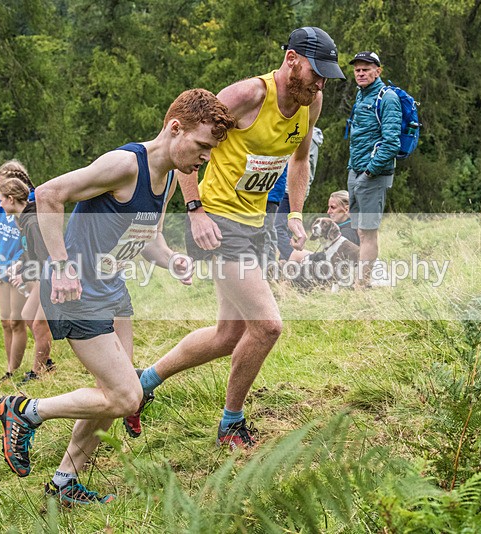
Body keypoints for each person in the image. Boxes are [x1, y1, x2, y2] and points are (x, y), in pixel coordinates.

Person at [0, 88, 235, 505]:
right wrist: (62, 264)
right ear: (174, 128)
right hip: (78, 293)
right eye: (201, 146)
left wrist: (171, 260)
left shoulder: (167, 179)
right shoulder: (125, 164)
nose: (205, 158)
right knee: (127, 396)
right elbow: (49, 194)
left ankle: (64, 483)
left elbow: (147, 237)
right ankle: (24, 411)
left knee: (110, 396)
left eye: (210, 150)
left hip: (112, 291)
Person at [123, 27, 345, 450]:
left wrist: (295, 213)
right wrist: (195, 210)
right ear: (293, 59)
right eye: (317, 73)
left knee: (229, 334)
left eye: (325, 78)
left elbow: (298, 160)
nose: (321, 84)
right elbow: (182, 144)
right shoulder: (246, 97)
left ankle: (142, 382)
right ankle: (231, 423)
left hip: (255, 224)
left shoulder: (310, 102)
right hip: (218, 225)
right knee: (267, 326)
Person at [346, 51, 401, 288]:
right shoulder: (361, 95)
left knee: (368, 232)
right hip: (356, 170)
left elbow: (391, 143)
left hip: (373, 174)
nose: (360, 73)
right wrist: (354, 169)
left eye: (366, 69)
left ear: (378, 71)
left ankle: (362, 284)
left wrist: (369, 172)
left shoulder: (386, 98)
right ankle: (361, 279)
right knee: (359, 230)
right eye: (357, 69)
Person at [0, 178, 54, 386]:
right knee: (28, 315)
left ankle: (38, 372)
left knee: (39, 324)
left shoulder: (32, 222)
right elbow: (29, 251)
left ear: (11, 199)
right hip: (40, 275)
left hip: (52, 275)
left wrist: (24, 275)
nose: (0, 205)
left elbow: (46, 257)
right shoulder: (23, 218)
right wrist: (18, 264)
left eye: (2, 199)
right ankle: (46, 364)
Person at [0, 161, 38, 386]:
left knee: (17, 320)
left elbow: (30, 244)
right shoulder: (3, 203)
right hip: (2, 266)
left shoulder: (30, 204)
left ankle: (14, 370)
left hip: (19, 269)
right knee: (5, 320)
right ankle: (9, 368)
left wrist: (18, 265)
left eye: (2, 185)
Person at [274, 126, 323, 261]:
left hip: (289, 191)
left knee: (277, 229)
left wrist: (290, 192)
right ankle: (287, 273)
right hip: (284, 189)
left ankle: (310, 259)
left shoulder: (307, 135)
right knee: (283, 230)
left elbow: (301, 166)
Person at [286, 190, 359, 263]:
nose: (328, 211)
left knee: (297, 254)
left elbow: (337, 257)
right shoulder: (347, 224)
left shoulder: (348, 232)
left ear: (346, 209)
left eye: (333, 207)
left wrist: (309, 258)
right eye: (328, 207)